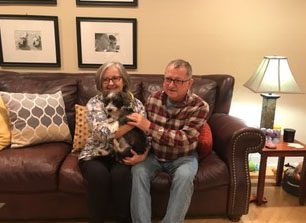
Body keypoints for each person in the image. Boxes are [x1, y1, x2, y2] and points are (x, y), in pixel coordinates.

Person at [125, 59, 209, 223]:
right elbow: (145, 136)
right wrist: (144, 154)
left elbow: (185, 139)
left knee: (185, 177)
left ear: (189, 83)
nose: (171, 85)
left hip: (184, 157)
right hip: (154, 155)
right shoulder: (152, 99)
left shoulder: (200, 106)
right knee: (138, 172)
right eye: (168, 79)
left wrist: (150, 127)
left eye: (178, 80)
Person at [78, 62, 147, 223]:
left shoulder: (136, 103)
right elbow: (102, 133)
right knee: (99, 176)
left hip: (123, 152)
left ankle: (123, 219)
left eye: (115, 78)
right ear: (100, 83)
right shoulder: (94, 103)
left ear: (123, 80)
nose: (110, 83)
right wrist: (131, 122)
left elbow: (145, 133)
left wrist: (144, 155)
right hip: (96, 153)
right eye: (105, 80)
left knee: (121, 176)